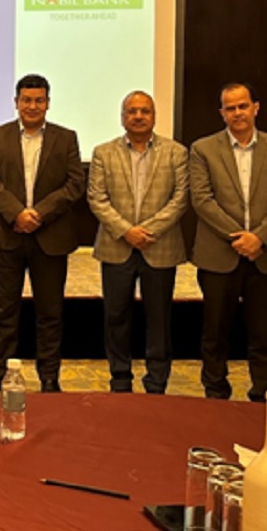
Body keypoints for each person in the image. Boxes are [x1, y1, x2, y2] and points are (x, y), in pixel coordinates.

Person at [0, 74, 85, 395]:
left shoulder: (66, 138)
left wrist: (39, 214)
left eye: (39, 100)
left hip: (51, 236)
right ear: (16, 102)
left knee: (50, 313)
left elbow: (75, 183)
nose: (32, 106)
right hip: (8, 234)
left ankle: (49, 377)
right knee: (3, 311)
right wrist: (17, 213)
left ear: (48, 103)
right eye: (26, 100)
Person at [189, 83, 267, 402]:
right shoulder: (203, 149)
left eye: (243, 106)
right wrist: (239, 237)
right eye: (230, 108)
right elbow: (202, 200)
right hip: (219, 255)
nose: (237, 113)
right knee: (215, 333)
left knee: (263, 335)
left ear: (255, 108)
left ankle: (262, 395)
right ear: (222, 113)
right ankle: (215, 393)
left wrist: (259, 237)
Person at [86, 91, 188, 395]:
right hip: (116, 246)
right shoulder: (103, 152)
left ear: (154, 116)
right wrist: (126, 231)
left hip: (160, 247)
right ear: (122, 117)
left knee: (159, 318)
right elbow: (97, 198)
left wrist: (147, 231)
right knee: (116, 316)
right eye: (132, 111)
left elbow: (180, 198)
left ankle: (157, 381)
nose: (139, 116)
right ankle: (120, 378)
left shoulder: (176, 152)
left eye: (145, 111)